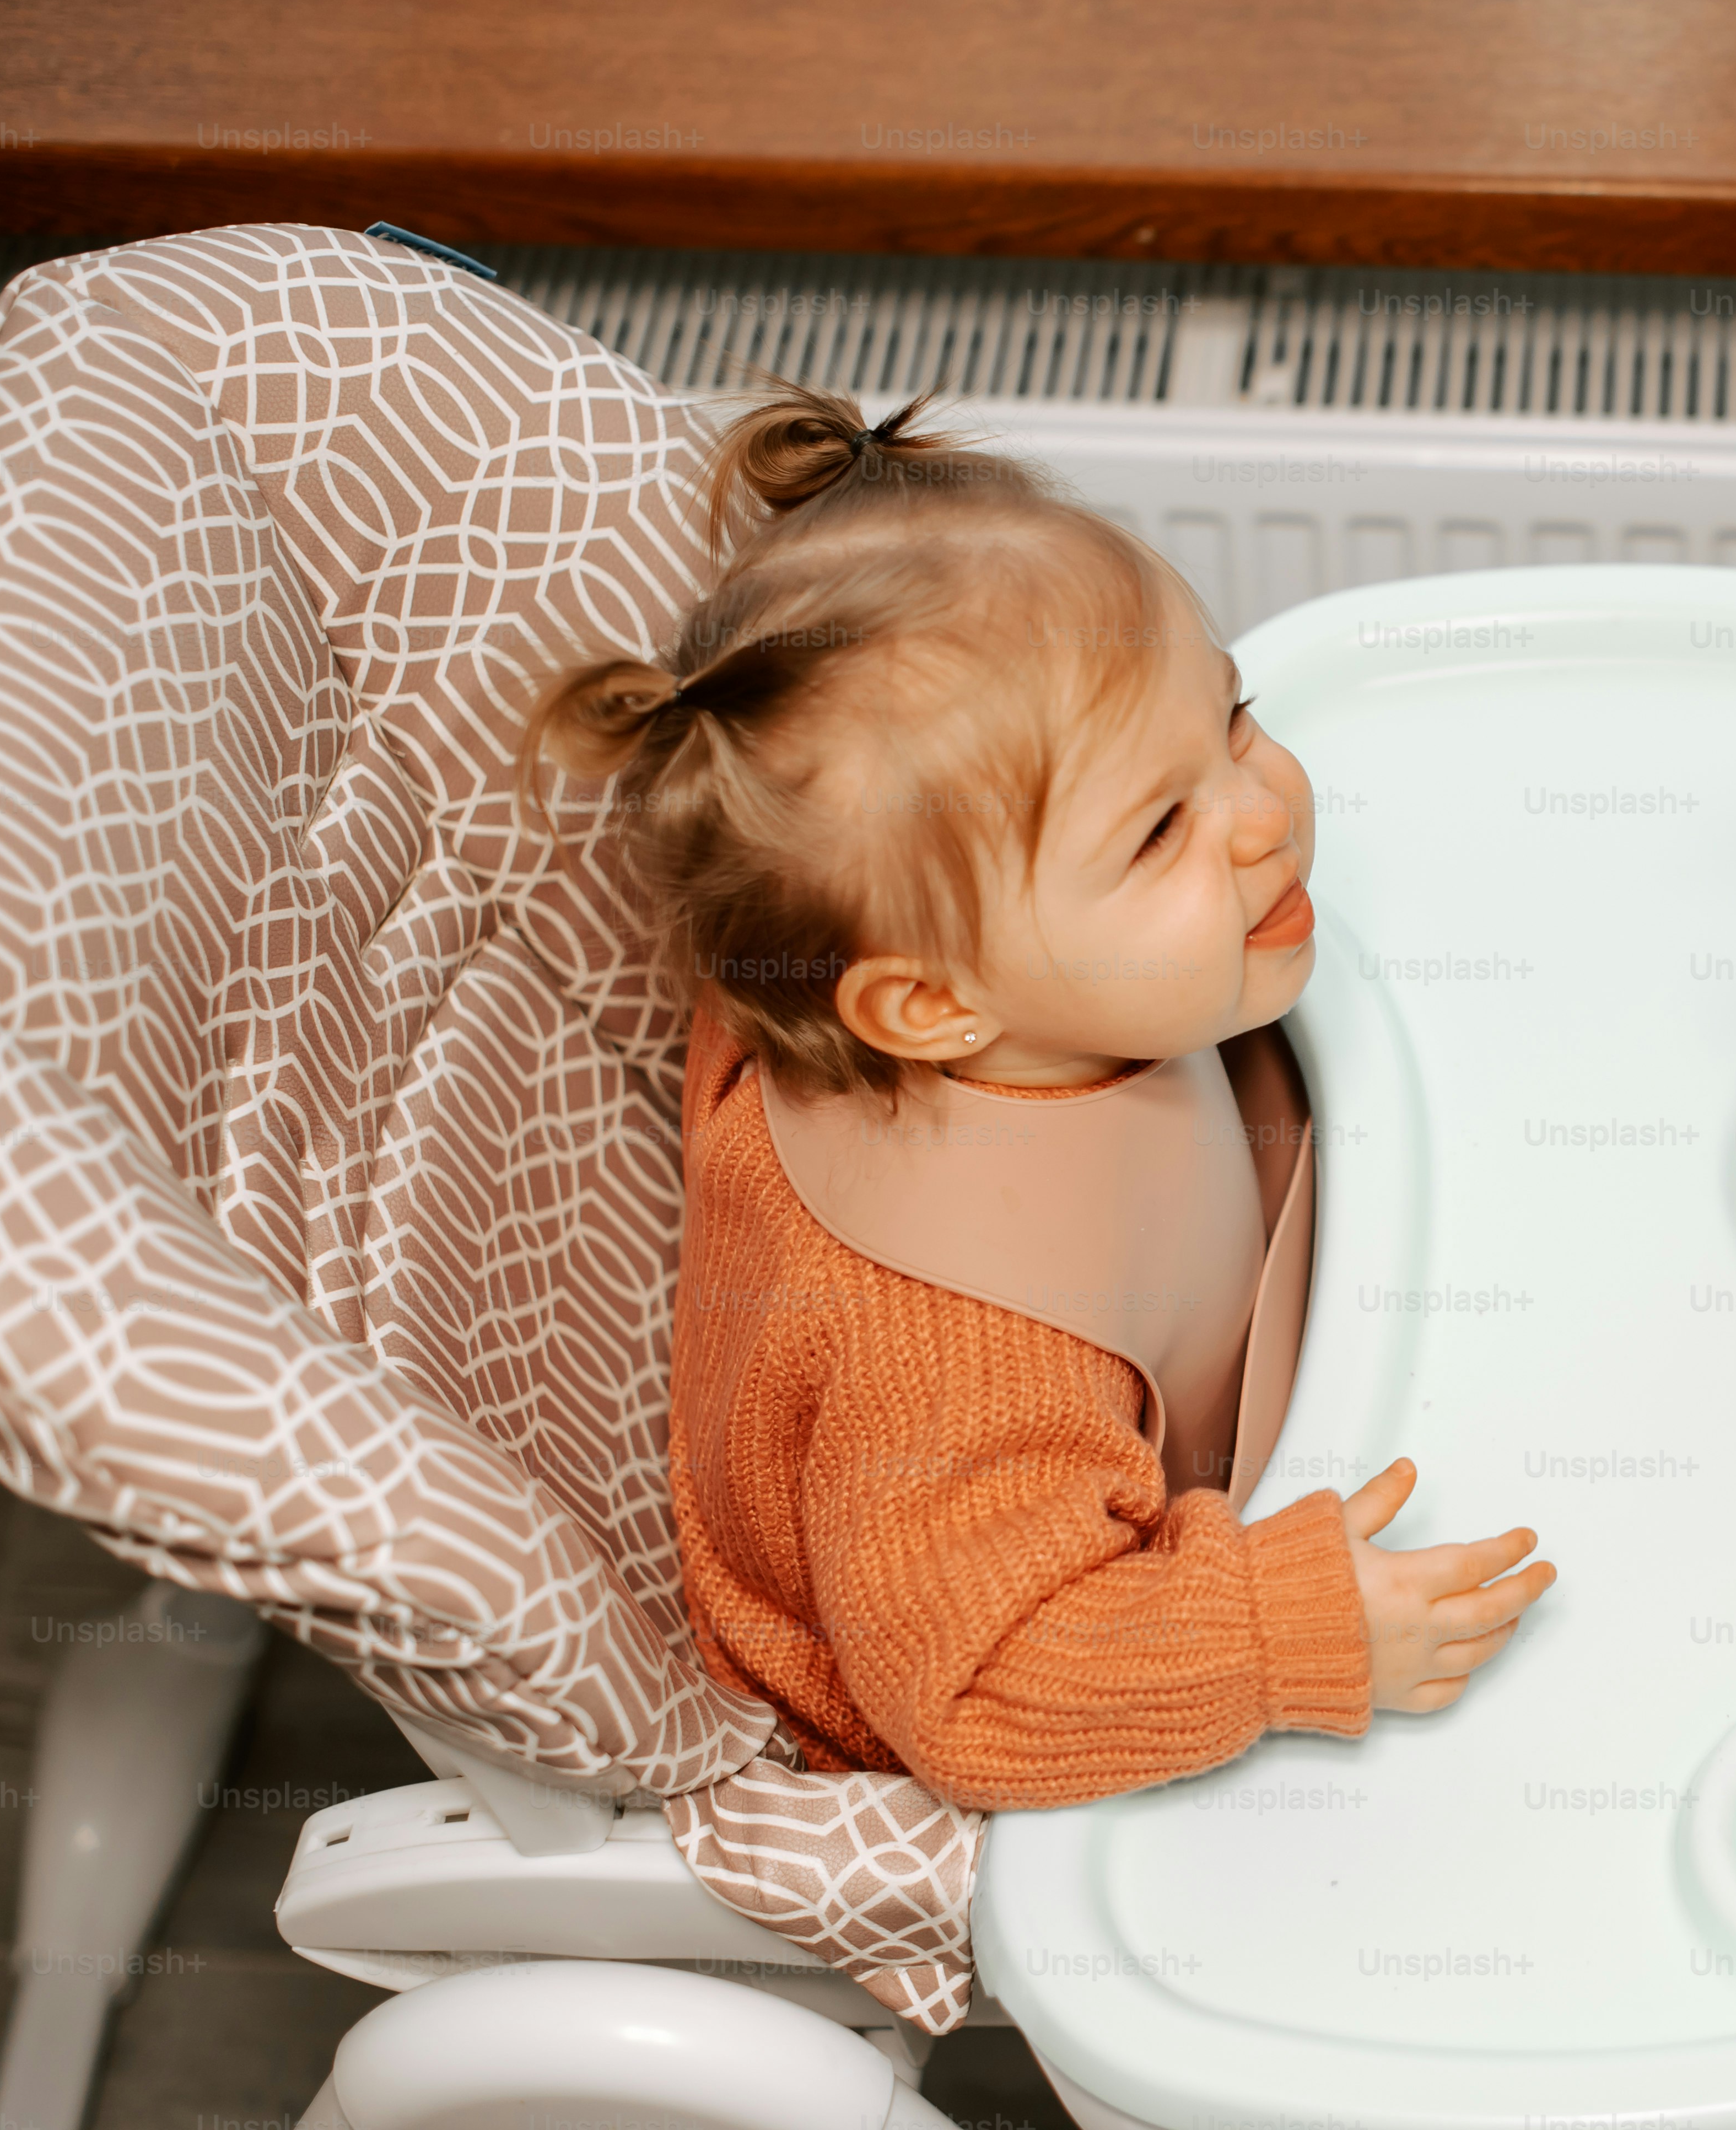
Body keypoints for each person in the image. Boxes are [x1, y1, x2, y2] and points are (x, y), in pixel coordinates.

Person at [519, 383, 1555, 1808]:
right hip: (1016, 1658)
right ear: (932, 1006)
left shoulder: (959, 968)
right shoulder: (954, 1359)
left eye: (1234, 721)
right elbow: (983, 1690)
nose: (1269, 814)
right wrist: (1284, 1634)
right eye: (1158, 832)